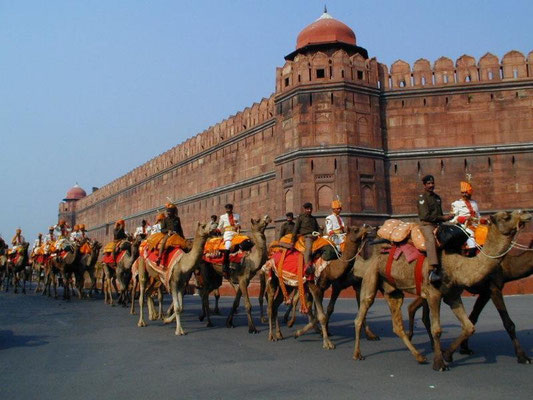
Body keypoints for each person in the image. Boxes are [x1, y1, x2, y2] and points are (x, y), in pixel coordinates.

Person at [417, 175, 453, 284]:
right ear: (424, 185)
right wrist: (443, 218)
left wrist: (448, 218)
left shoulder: (437, 198)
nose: (431, 185)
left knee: (452, 235)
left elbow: (440, 214)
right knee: (431, 240)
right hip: (427, 225)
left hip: (438, 224)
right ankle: (432, 270)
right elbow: (425, 216)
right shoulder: (422, 198)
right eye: (428, 184)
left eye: (432, 183)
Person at [451, 180, 482, 255]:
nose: (464, 194)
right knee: (471, 238)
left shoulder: (474, 203)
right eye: (462, 192)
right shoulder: (456, 204)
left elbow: (478, 216)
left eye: (466, 192)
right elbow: (453, 219)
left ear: (470, 192)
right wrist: (464, 219)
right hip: (463, 227)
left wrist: (484, 220)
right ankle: (471, 257)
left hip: (476, 226)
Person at [291, 203, 321, 274]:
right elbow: (295, 229)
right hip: (307, 237)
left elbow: (318, 228)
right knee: (309, 248)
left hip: (315, 236)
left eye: (310, 209)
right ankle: (307, 266)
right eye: (308, 209)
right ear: (305, 209)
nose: (309, 210)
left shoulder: (313, 219)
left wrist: (322, 235)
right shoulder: (300, 218)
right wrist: (292, 240)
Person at [216, 203, 241, 276]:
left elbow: (239, 225)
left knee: (246, 243)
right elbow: (219, 227)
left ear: (232, 209)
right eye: (227, 209)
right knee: (227, 248)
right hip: (228, 234)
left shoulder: (237, 216)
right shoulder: (222, 217)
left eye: (229, 209)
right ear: (226, 210)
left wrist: (238, 226)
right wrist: (216, 231)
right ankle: (225, 267)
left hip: (236, 234)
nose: (228, 210)